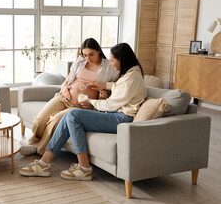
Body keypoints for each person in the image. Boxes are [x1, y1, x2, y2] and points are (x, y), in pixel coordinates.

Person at [19, 42, 147, 180]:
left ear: (122, 59)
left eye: (112, 60)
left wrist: (90, 101)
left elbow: (110, 105)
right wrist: (105, 86)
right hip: (116, 114)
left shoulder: (132, 78)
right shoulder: (130, 74)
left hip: (122, 118)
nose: (111, 63)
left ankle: (83, 168)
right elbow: (119, 87)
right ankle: (44, 163)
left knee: (73, 114)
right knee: (71, 116)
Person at [20, 38, 119, 156]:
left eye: (91, 54)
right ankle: (33, 142)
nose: (88, 58)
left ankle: (40, 150)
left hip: (82, 106)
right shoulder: (79, 62)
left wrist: (105, 94)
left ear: (98, 50)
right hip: (64, 97)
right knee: (40, 119)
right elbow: (68, 80)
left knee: (55, 121)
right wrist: (64, 89)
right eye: (85, 55)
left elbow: (115, 87)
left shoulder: (110, 67)